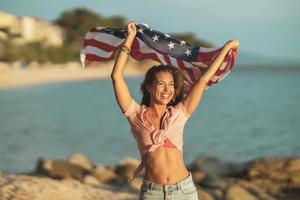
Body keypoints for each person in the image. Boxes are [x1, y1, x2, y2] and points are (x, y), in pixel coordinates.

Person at [111, 21, 240, 200]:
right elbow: (116, 77)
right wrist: (129, 39)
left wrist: (225, 49)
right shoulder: (135, 115)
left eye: (171, 85)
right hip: (152, 193)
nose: (167, 90)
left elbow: (202, 80)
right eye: (161, 84)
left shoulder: (180, 113)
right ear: (148, 87)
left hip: (184, 191)